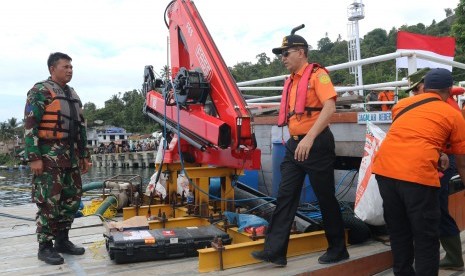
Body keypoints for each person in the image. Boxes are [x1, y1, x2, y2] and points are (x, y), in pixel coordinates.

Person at [251, 29, 348, 266]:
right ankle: (275, 251)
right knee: (285, 196)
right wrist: (298, 139)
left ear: (301, 52)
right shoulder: (292, 81)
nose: (282, 57)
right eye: (281, 54)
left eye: (286, 53)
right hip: (295, 145)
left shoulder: (318, 75)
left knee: (325, 197)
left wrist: (310, 138)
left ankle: (338, 248)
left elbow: (329, 107)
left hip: (316, 143)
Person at [372, 68, 465, 275]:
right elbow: (461, 161)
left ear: (423, 87)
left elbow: (413, 131)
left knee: (399, 231)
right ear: (450, 90)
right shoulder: (453, 114)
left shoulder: (401, 105)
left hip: (384, 171)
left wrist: (438, 153)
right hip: (417, 175)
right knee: (426, 236)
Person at [24, 52, 90, 265]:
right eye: (65, 67)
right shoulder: (40, 91)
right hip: (48, 159)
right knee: (49, 204)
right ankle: (45, 246)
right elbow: (30, 126)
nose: (70, 70)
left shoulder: (72, 94)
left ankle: (62, 240)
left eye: (71, 66)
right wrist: (34, 157)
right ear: (53, 69)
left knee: (71, 201)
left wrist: (84, 156)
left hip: (70, 159)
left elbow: (80, 128)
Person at [406, 68, 465, 271]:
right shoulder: (436, 104)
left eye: (417, 90)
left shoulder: (446, 106)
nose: (415, 94)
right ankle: (452, 256)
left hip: (443, 163)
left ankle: (454, 257)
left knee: (438, 209)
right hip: (434, 161)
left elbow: (456, 145)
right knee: (435, 209)